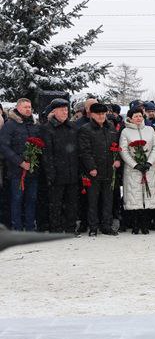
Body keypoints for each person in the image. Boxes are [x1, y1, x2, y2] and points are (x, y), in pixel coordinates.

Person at [78, 103, 121, 236]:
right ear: (91, 114)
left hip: (109, 169)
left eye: (103, 113)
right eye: (98, 114)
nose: (101, 116)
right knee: (93, 201)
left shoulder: (111, 127)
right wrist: (91, 167)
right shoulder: (85, 129)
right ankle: (93, 227)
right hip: (93, 171)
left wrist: (117, 159)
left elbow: (116, 145)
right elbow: (84, 151)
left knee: (108, 200)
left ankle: (106, 226)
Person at [0, 98, 41, 231]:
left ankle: (30, 227)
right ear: (18, 108)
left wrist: (34, 160)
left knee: (31, 200)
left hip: (32, 171)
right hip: (16, 171)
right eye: (25, 107)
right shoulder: (10, 125)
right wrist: (20, 162)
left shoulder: (34, 124)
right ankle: (16, 227)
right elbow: (4, 147)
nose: (28, 110)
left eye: (30, 107)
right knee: (17, 200)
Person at [40, 99, 80, 235]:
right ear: (54, 111)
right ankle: (55, 228)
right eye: (62, 110)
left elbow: (77, 150)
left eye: (66, 110)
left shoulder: (72, 127)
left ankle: (70, 228)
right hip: (57, 173)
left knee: (72, 203)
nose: (65, 112)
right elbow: (47, 154)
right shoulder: (47, 128)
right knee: (55, 203)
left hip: (72, 172)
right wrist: (50, 173)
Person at [119, 107, 155, 234]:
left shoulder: (150, 129)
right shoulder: (125, 131)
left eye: (140, 116)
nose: (138, 118)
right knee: (134, 196)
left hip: (148, 168)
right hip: (133, 169)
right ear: (130, 118)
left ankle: (145, 224)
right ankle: (135, 224)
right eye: (135, 116)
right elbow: (123, 150)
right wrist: (135, 164)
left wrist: (149, 162)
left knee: (147, 196)